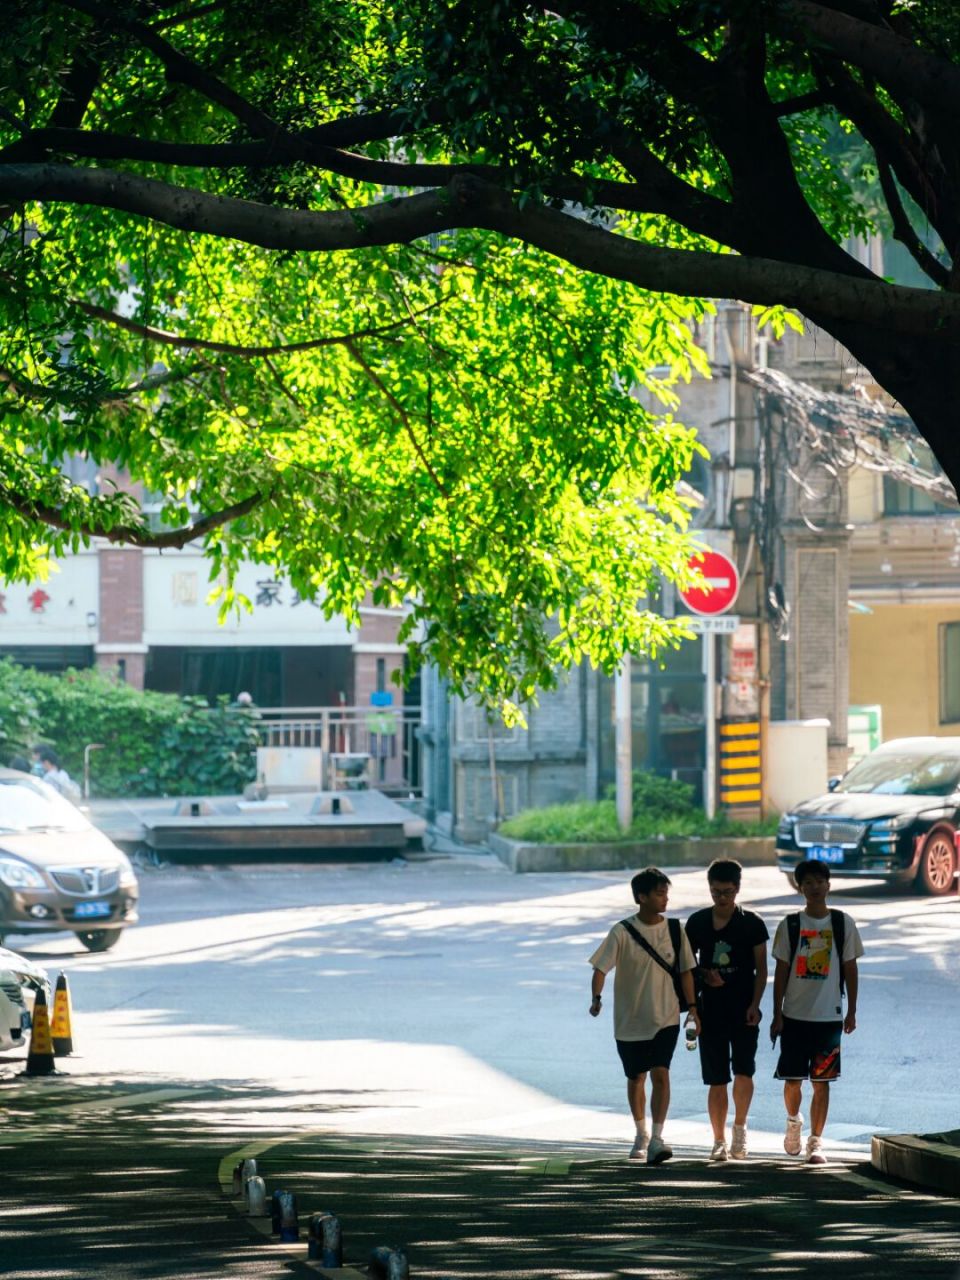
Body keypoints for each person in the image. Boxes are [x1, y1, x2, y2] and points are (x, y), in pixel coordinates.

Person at [589, 866, 699, 1165]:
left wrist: (693, 1009)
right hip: (630, 1020)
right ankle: (641, 1133)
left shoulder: (676, 930)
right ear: (642, 897)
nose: (665, 899)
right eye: (659, 893)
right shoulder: (622, 932)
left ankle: (658, 1137)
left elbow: (687, 971)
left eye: (666, 893)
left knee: (661, 1073)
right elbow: (600, 968)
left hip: (666, 1017)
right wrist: (596, 998)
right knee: (636, 1077)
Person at [770, 858, 864, 1166]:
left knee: (822, 1081)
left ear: (828, 884)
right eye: (807, 883)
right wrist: (777, 1013)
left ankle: (815, 1142)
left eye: (819, 882)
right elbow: (781, 971)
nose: (814, 887)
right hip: (795, 1016)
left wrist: (851, 1010)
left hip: (828, 1017)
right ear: (800, 888)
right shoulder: (791, 925)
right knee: (793, 1080)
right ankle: (794, 1121)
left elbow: (850, 968)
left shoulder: (842, 923)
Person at [684, 859, 769, 1162]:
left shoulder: (752, 923)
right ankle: (718, 1139)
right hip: (710, 1009)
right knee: (716, 1077)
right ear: (709, 889)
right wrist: (703, 982)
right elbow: (685, 966)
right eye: (716, 892)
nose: (721, 898)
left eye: (728, 892)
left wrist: (755, 1005)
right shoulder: (696, 923)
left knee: (744, 1070)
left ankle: (740, 1129)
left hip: (744, 1008)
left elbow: (762, 969)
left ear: (738, 890)